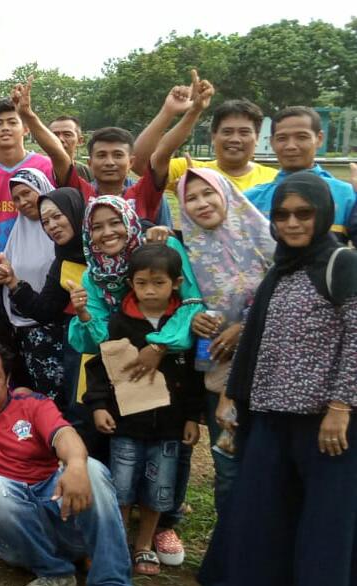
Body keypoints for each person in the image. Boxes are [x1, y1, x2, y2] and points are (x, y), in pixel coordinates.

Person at [200, 172, 357, 586]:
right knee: (264, 515)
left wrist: (340, 407)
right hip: (270, 416)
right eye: (282, 215)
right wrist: (233, 394)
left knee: (323, 522)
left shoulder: (342, 264)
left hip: (324, 424)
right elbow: (258, 339)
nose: (292, 223)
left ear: (323, 214)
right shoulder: (281, 270)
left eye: (304, 214)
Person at [0, 341, 129, 586]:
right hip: (13, 536)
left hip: (63, 517)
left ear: (7, 379)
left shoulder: (32, 404)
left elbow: (64, 434)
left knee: (91, 468)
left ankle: (112, 581)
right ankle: (55, 574)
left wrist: (77, 465)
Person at [82, 244, 206, 576]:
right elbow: (101, 366)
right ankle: (120, 542)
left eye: (158, 282)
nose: (150, 291)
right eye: (141, 283)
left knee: (159, 488)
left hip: (169, 426)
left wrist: (192, 416)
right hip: (126, 424)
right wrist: (98, 406)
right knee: (121, 486)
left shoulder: (185, 324)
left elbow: (194, 374)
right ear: (130, 284)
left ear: (176, 283)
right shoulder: (119, 322)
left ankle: (144, 544)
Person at [175, 168, 275, 513]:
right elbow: (178, 301)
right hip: (219, 372)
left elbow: (285, 294)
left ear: (226, 194)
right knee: (228, 462)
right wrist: (193, 317)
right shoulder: (185, 249)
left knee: (270, 463)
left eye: (208, 193)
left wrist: (243, 328)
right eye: (191, 198)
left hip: (270, 370)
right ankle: (230, 541)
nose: (201, 203)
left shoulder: (266, 237)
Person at [15, 77, 201, 224]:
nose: (110, 162)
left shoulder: (144, 194)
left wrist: (187, 112)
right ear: (90, 163)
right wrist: (28, 115)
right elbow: (58, 154)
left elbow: (164, 152)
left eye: (118, 155)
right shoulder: (79, 193)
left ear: (131, 162)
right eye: (101, 155)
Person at [67, 196, 203, 357]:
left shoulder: (162, 247)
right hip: (130, 361)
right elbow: (103, 340)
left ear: (129, 221)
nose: (107, 232)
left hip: (178, 354)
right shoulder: (93, 277)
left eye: (115, 223)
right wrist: (83, 314)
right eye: (97, 227)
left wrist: (159, 346)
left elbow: (192, 302)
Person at [0, 168, 64, 398]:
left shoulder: (62, 232)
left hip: (60, 329)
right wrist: (0, 277)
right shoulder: (18, 234)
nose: (22, 202)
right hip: (25, 333)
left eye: (27, 193)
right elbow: (10, 275)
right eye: (16, 199)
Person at [0, 99, 55, 305]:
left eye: (12, 122)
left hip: (39, 268)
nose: (5, 128)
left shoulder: (46, 167)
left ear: (26, 129)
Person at [133, 98, 278, 204]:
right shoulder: (190, 171)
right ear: (213, 137)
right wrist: (170, 111)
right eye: (227, 132)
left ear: (257, 137)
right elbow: (140, 163)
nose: (235, 139)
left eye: (244, 132)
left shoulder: (275, 180)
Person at [244, 106, 357, 240]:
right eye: (282, 138)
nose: (291, 146)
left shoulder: (346, 195)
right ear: (272, 142)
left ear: (319, 139)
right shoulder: (250, 199)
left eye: (302, 137)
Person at [48, 115, 93, 183]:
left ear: (80, 141)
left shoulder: (88, 173)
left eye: (67, 135)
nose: (60, 139)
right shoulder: (38, 170)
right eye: (54, 135)